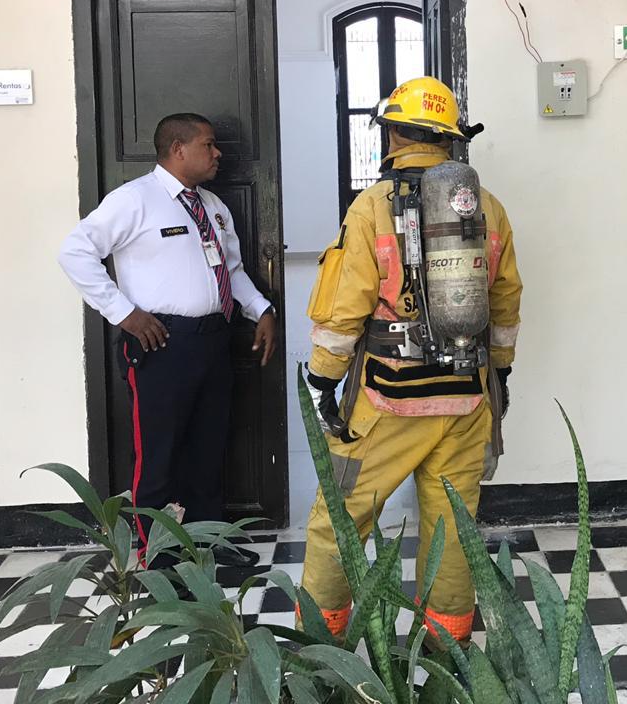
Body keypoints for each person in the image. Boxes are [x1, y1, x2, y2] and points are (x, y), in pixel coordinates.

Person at [298, 76, 523, 644]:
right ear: (450, 140)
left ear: (393, 134)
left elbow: (346, 307)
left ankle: (321, 652)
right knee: (453, 530)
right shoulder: (488, 208)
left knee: (338, 523)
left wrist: (324, 379)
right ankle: (445, 652)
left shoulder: (372, 206)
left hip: (388, 398)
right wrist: (500, 371)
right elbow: (505, 299)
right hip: (467, 397)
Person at [59, 113, 277, 564]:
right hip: (161, 343)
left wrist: (262, 310)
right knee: (158, 453)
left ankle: (207, 545)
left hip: (213, 341)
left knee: (208, 447)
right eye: (209, 145)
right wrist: (124, 313)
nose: (218, 153)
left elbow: (230, 271)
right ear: (178, 149)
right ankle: (155, 553)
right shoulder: (135, 200)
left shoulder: (213, 206)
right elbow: (75, 252)